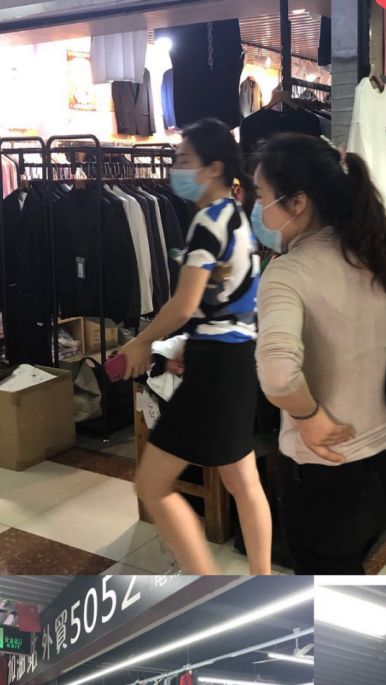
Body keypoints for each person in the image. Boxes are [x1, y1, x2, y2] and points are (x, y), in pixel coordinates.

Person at [119, 119, 272, 575]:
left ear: (214, 167)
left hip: (217, 368)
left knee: (151, 485)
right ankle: (261, 582)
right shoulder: (238, 215)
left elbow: (184, 303)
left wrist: (142, 341)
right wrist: (196, 338)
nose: (175, 168)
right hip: (239, 359)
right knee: (243, 482)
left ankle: (206, 582)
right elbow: (228, 298)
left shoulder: (207, 222)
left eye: (184, 160)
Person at [253, 133, 386, 575]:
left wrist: (308, 416)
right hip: (383, 456)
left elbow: (278, 374)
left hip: (323, 470)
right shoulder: (376, 253)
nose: (256, 209)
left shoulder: (288, 273)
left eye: (261, 196)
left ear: (297, 201)